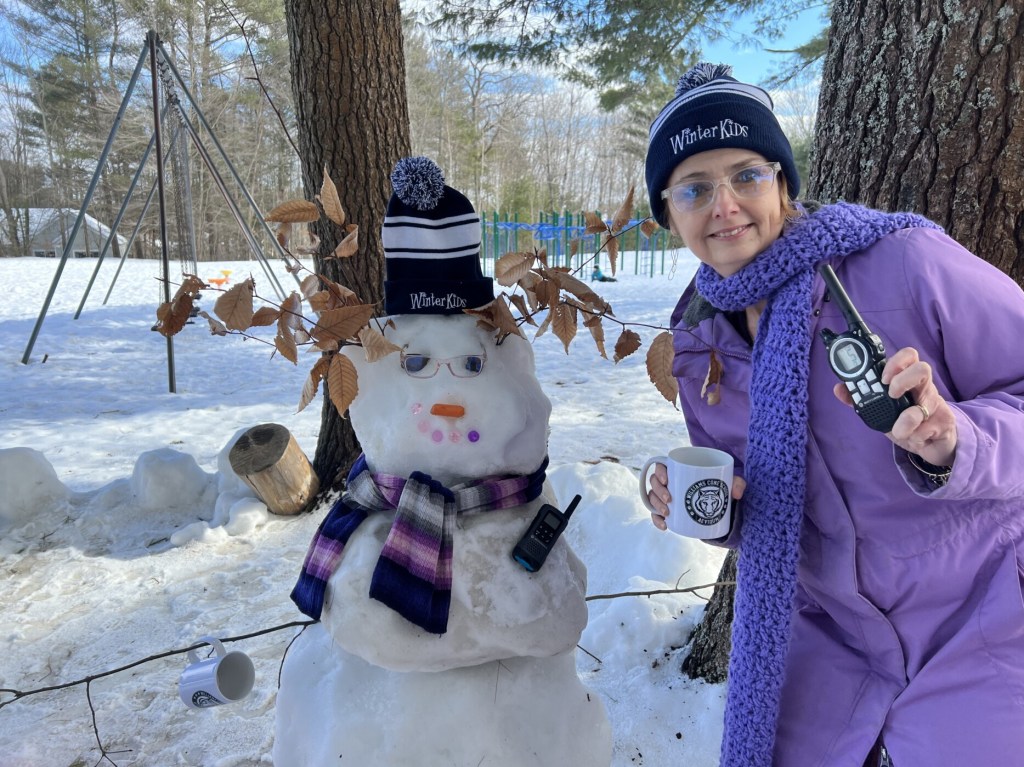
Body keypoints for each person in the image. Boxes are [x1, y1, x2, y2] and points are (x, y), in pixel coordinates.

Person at [642, 62, 1024, 767]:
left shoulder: (901, 262)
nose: (724, 204)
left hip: (986, 613)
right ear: (669, 214)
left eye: (747, 175)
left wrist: (956, 441)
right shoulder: (700, 343)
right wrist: (708, 509)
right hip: (837, 640)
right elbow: (771, 508)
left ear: (784, 181)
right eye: (694, 188)